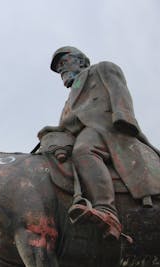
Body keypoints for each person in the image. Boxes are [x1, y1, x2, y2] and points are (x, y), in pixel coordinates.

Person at [40, 46, 160, 240]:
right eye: (58, 67)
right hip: (83, 131)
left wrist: (123, 118)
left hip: (106, 127)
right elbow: (69, 124)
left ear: (81, 61)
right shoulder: (69, 99)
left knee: (84, 151)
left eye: (64, 62)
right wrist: (53, 132)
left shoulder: (102, 69)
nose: (61, 69)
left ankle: (106, 209)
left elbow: (118, 90)